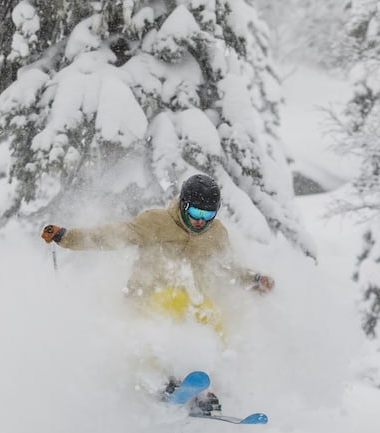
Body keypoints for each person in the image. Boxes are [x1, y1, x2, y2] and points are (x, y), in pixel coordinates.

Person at [40, 173, 274, 415]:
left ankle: (204, 385)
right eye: (196, 213)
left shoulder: (217, 234)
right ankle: (162, 377)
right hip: (146, 299)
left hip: (190, 303)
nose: (200, 221)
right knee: (173, 300)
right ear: (184, 205)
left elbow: (226, 268)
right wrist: (65, 236)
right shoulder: (156, 222)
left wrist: (254, 280)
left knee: (212, 315)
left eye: (208, 215)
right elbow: (112, 235)